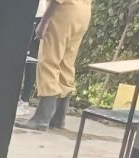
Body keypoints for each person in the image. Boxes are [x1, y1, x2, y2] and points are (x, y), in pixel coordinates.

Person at [17, 0, 93, 131]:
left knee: (48, 61)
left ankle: (41, 118)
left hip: (63, 13)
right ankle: (59, 118)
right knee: (66, 63)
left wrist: (44, 22)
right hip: (83, 13)